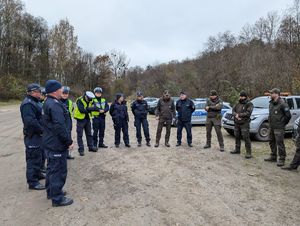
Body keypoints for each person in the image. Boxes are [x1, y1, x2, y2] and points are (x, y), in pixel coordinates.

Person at [42, 80, 73, 207]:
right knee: (58, 170)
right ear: (55, 91)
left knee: (51, 168)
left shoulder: (47, 102)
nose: (62, 91)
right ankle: (57, 198)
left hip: (50, 141)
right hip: (56, 143)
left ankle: (51, 191)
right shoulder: (54, 105)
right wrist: (68, 141)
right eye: (61, 89)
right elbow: (59, 126)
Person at [20, 83, 45, 190]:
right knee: (33, 158)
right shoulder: (27, 104)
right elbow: (31, 122)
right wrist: (42, 130)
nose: (41, 93)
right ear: (33, 92)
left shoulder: (36, 102)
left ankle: (38, 174)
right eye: (39, 91)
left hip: (39, 135)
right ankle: (33, 182)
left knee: (39, 156)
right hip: (33, 135)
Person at [265, 88, 291, 166]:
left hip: (279, 127)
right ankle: (273, 156)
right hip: (272, 126)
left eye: (271, 93)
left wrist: (282, 123)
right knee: (271, 141)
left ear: (276, 94)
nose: (270, 95)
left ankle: (282, 159)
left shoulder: (283, 104)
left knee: (280, 143)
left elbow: (288, 116)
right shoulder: (271, 103)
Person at [73, 91, 98, 156]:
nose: (90, 100)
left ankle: (91, 147)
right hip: (80, 119)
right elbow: (82, 110)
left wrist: (88, 108)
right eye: (89, 98)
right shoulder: (79, 100)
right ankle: (81, 150)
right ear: (85, 96)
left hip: (87, 119)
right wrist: (90, 109)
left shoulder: (91, 99)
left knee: (89, 134)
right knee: (80, 135)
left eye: (91, 99)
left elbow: (96, 107)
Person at [230, 91, 254, 159]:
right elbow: (233, 111)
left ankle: (248, 152)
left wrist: (240, 115)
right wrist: (236, 115)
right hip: (237, 123)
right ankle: (237, 149)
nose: (240, 97)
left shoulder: (249, 104)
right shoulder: (237, 103)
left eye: (241, 96)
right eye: (240, 96)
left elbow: (248, 113)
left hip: (244, 123)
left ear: (245, 96)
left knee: (246, 137)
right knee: (237, 136)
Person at [61, 86, 75, 160]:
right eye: (63, 93)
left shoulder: (69, 102)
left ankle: (67, 155)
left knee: (68, 138)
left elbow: (71, 111)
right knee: (61, 139)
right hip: (61, 122)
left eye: (66, 93)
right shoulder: (57, 101)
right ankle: (62, 155)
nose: (65, 95)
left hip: (68, 122)